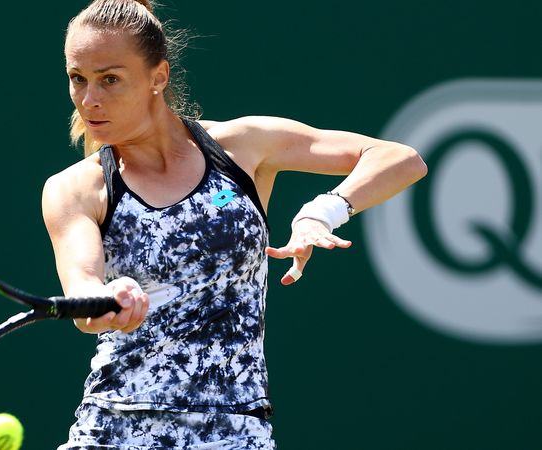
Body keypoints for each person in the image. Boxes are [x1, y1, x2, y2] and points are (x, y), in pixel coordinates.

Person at [41, 0, 427, 448]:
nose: (90, 99)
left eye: (110, 79)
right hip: (114, 430)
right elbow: (82, 289)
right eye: (78, 79)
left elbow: (400, 159)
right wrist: (107, 299)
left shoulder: (243, 147)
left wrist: (320, 212)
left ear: (158, 77)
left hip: (237, 431)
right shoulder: (74, 190)